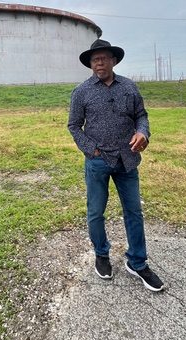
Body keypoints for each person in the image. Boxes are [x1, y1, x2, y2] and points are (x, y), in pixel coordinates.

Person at [68, 38, 164, 292]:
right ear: (90, 64)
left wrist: (143, 133)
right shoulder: (81, 92)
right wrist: (92, 150)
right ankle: (102, 254)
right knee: (96, 212)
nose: (99, 62)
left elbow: (141, 116)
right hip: (98, 161)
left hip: (128, 160)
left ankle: (138, 262)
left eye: (104, 58)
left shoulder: (129, 88)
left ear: (113, 60)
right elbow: (74, 126)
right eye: (95, 59)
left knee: (134, 212)